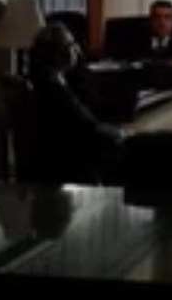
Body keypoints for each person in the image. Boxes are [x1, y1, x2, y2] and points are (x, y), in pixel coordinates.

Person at [24, 23, 126, 182]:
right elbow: (87, 126)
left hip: (65, 155)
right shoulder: (53, 88)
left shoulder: (50, 80)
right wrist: (120, 134)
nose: (77, 49)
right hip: (69, 163)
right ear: (59, 54)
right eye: (71, 45)